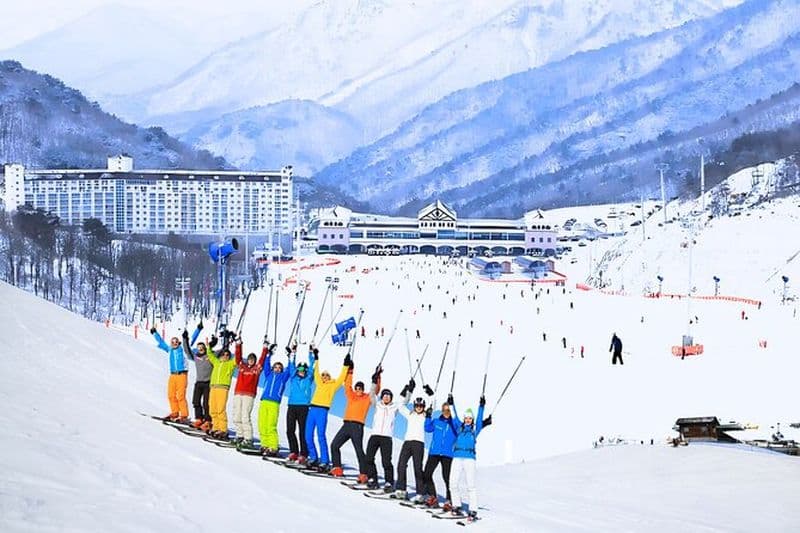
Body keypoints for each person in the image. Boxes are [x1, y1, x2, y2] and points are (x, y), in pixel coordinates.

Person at [329, 359, 377, 482]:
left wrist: (377, 379)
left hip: (357, 426)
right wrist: (350, 370)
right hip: (346, 425)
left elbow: (375, 391)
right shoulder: (351, 396)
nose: (358, 390)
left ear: (363, 389)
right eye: (357, 388)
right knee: (334, 445)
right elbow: (347, 385)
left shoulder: (367, 398)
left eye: (360, 388)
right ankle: (337, 468)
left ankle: (363, 474)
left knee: (359, 450)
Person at [364, 367, 408, 491]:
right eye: (384, 395)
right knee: (369, 458)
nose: (386, 397)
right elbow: (372, 394)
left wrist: (408, 390)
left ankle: (389, 482)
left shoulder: (394, 408)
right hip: (374, 435)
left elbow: (404, 401)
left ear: (391, 398)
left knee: (386, 461)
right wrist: (374, 381)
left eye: (388, 396)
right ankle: (372, 479)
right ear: (382, 397)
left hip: (386, 437)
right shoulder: (377, 405)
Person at [305, 351, 349, 472]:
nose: (324, 376)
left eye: (326, 375)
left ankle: (325, 461)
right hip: (312, 409)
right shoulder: (319, 382)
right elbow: (316, 372)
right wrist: (317, 359)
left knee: (321, 435)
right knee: (308, 435)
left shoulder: (333, 385)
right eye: (323, 375)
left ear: (329, 377)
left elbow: (341, 378)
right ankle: (313, 457)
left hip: (322, 410)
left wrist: (345, 366)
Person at [151, 324, 201, 423]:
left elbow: (191, 340)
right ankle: (175, 412)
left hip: (182, 375)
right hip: (173, 375)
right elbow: (160, 341)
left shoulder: (183, 350)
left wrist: (198, 329)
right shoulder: (169, 349)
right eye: (173, 342)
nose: (174, 343)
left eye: (176, 342)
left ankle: (184, 415)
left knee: (181, 396)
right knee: (171, 395)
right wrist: (154, 332)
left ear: (179, 343)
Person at [448, 395, 487, 519]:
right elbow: (454, 417)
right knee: (453, 483)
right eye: (466, 418)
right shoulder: (459, 427)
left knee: (471, 485)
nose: (468, 420)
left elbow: (480, 419)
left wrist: (481, 406)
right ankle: (456, 505)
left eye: (470, 418)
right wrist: (451, 404)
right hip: (457, 457)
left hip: (469, 459)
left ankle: (473, 509)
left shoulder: (475, 429)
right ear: (464, 419)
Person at [395, 379, 434, 502]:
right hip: (407, 442)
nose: (418, 407)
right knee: (401, 465)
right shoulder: (410, 414)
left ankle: (420, 493)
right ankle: (401, 490)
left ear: (424, 407)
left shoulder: (425, 416)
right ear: (414, 406)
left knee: (417, 468)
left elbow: (434, 402)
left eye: (421, 406)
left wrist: (430, 393)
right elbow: (400, 405)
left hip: (419, 444)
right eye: (417, 405)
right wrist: (409, 390)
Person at [231, 338, 269, 449]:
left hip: (248, 394)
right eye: (249, 359)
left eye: (253, 359)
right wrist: (238, 345)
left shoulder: (256, 369)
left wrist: (265, 348)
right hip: (238, 393)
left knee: (245, 416)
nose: (251, 361)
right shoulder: (242, 367)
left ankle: (248, 438)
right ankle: (240, 435)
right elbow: (238, 357)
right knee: (236, 415)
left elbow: (262, 360)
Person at [258, 344, 292, 456]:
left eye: (279, 368)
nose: (277, 369)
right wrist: (269, 354)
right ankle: (265, 444)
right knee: (262, 424)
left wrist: (289, 356)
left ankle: (273, 446)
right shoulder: (268, 374)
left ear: (281, 370)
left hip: (274, 403)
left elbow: (290, 370)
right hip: (264, 401)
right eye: (275, 367)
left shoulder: (283, 377)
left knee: (271, 425)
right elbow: (266, 365)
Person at [422, 401, 457, 508]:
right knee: (427, 474)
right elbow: (427, 428)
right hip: (434, 452)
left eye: (448, 410)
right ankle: (432, 497)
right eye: (444, 410)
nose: (446, 412)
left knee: (447, 477)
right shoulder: (436, 421)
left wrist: (453, 408)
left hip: (447, 454)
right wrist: (428, 416)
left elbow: (460, 425)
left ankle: (449, 500)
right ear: (441, 411)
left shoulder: (454, 424)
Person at [285, 345, 316, 464]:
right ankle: (294, 451)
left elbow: (312, 366)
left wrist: (311, 353)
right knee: (290, 429)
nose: (301, 371)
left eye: (304, 370)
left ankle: (304, 454)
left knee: (303, 431)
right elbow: (291, 365)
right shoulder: (293, 378)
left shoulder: (309, 378)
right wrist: (293, 353)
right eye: (300, 369)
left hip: (304, 407)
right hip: (292, 405)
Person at [205, 336, 238, 439]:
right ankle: (216, 427)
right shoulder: (217, 362)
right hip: (213, 387)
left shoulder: (230, 364)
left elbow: (238, 358)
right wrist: (209, 346)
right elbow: (209, 354)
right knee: (212, 408)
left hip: (223, 388)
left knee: (220, 409)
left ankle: (223, 429)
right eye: (224, 354)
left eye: (227, 355)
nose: (225, 356)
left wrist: (238, 346)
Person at [181, 326, 211, 430]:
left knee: (206, 403)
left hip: (208, 383)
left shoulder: (210, 356)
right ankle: (199, 419)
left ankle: (208, 421)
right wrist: (185, 338)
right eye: (199, 348)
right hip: (199, 382)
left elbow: (222, 352)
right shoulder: (196, 357)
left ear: (205, 348)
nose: (200, 349)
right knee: (196, 401)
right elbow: (187, 350)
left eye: (202, 348)